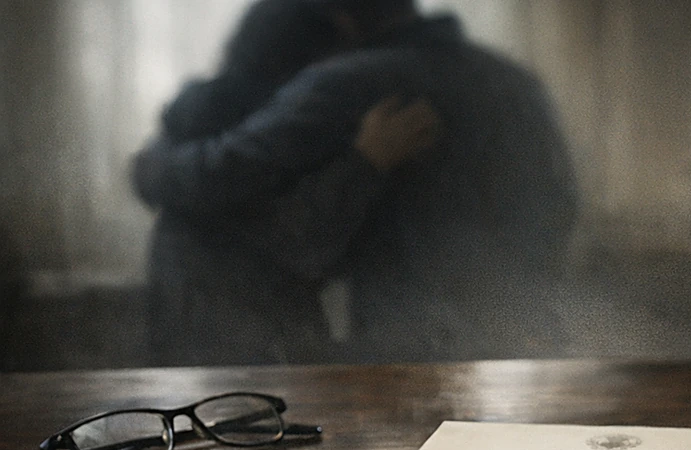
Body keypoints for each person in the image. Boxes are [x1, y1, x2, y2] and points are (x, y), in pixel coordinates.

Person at [133, 0, 579, 363]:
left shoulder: (347, 82)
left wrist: (150, 165)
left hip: (407, 338)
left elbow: (226, 183)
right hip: (515, 324)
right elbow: (559, 204)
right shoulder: (513, 81)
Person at [134, 0, 441, 365]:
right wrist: (367, 161)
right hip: (246, 340)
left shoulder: (203, 112)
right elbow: (287, 237)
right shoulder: (280, 123)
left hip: (208, 331)